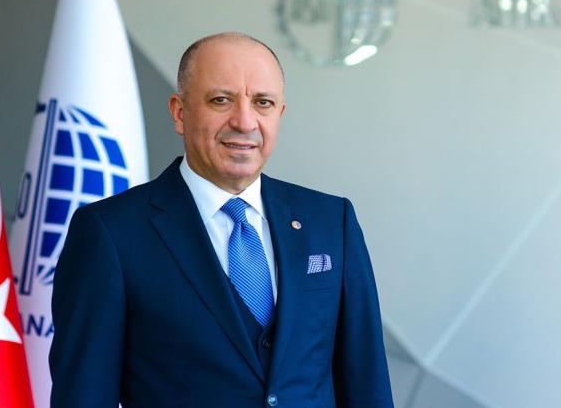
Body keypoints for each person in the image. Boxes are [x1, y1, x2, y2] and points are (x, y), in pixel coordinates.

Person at [49, 32, 394, 408]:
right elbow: (83, 396)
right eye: (221, 100)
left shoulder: (332, 221)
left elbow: (368, 384)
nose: (244, 122)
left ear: (279, 114)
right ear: (179, 112)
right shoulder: (110, 232)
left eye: (262, 103)